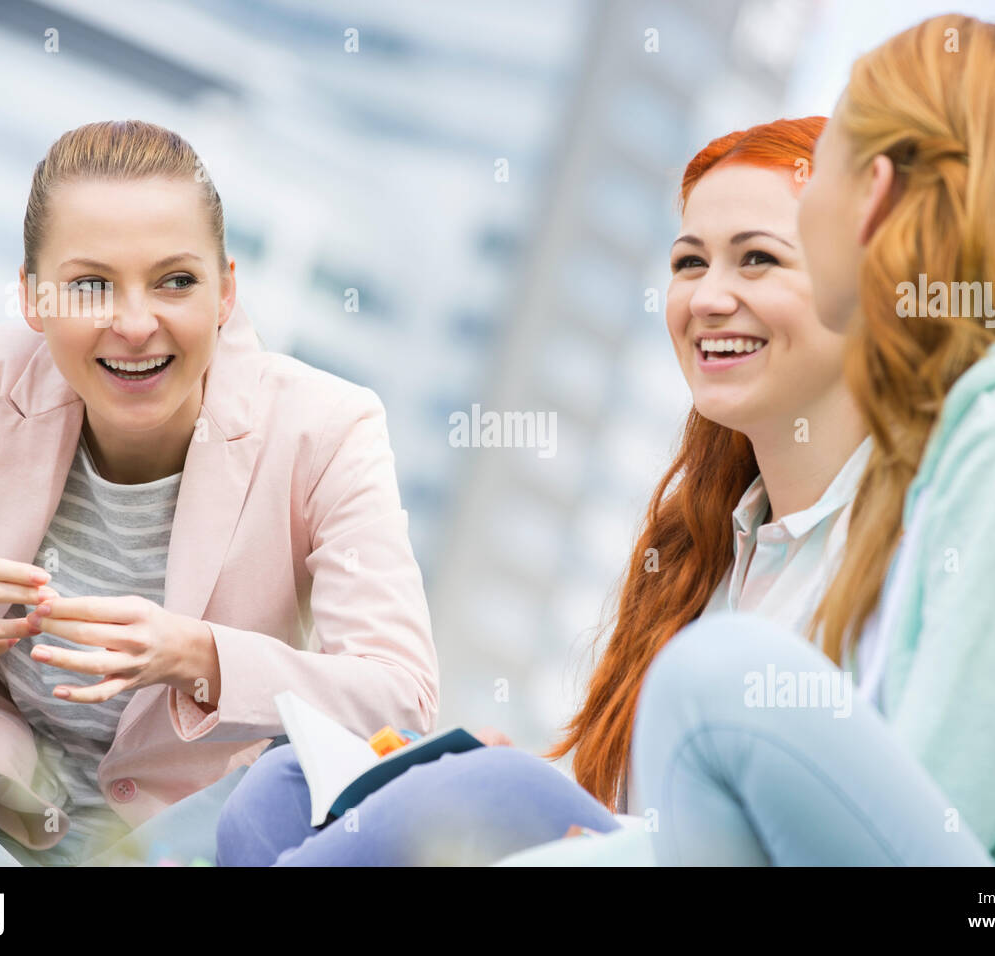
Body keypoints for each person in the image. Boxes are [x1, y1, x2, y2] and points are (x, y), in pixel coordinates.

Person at [216, 116, 876, 866]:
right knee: (283, 790)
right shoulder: (706, 554)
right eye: (690, 263)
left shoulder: (898, 544)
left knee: (476, 794)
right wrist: (513, 792)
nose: (709, 298)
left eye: (758, 260)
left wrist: (496, 796)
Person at [631, 12, 995, 866]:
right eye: (690, 262)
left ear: (872, 191)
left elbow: (925, 821)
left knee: (712, 680)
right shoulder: (984, 436)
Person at [0, 119, 438, 866]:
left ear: (226, 290)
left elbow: (400, 701)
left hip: (189, 848)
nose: (135, 324)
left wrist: (197, 654)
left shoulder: (327, 429)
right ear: (33, 299)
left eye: (176, 281)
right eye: (91, 284)